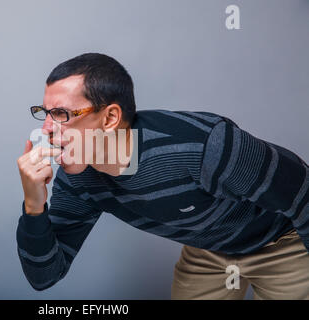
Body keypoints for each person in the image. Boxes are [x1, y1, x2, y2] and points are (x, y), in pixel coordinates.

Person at [16, 53, 309, 299]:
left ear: (109, 119)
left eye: (61, 114)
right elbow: (44, 277)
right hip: (208, 250)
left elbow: (303, 192)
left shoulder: (204, 146)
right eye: (45, 113)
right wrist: (33, 205)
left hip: (280, 242)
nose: (47, 130)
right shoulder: (77, 176)